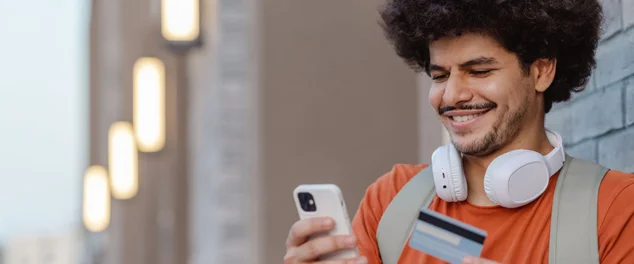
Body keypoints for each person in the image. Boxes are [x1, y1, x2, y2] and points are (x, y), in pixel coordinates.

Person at [284, 0, 634, 263]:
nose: (451, 95)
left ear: (542, 71)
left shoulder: (615, 209)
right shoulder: (391, 201)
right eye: (439, 75)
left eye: (479, 70)